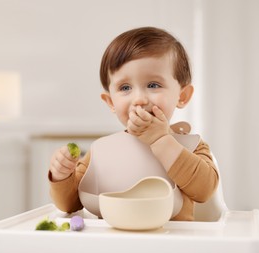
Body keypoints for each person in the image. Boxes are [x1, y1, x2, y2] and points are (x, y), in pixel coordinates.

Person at [48, 27, 219, 221]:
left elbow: (205, 190)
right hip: (113, 247)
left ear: (182, 96)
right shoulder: (102, 151)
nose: (139, 99)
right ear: (111, 102)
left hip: (172, 245)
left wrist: (161, 140)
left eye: (153, 85)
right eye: (125, 88)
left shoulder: (191, 146)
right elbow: (70, 204)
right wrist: (62, 176)